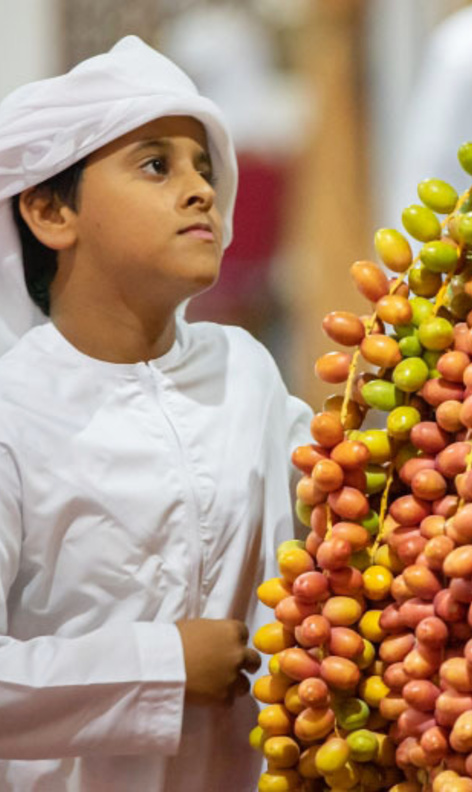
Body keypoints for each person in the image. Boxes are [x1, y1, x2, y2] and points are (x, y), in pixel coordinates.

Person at [0, 36, 312, 791]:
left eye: (204, 167)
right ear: (49, 210)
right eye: (155, 165)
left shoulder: (244, 372)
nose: (201, 190)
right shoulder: (12, 412)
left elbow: (338, 498)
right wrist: (161, 666)